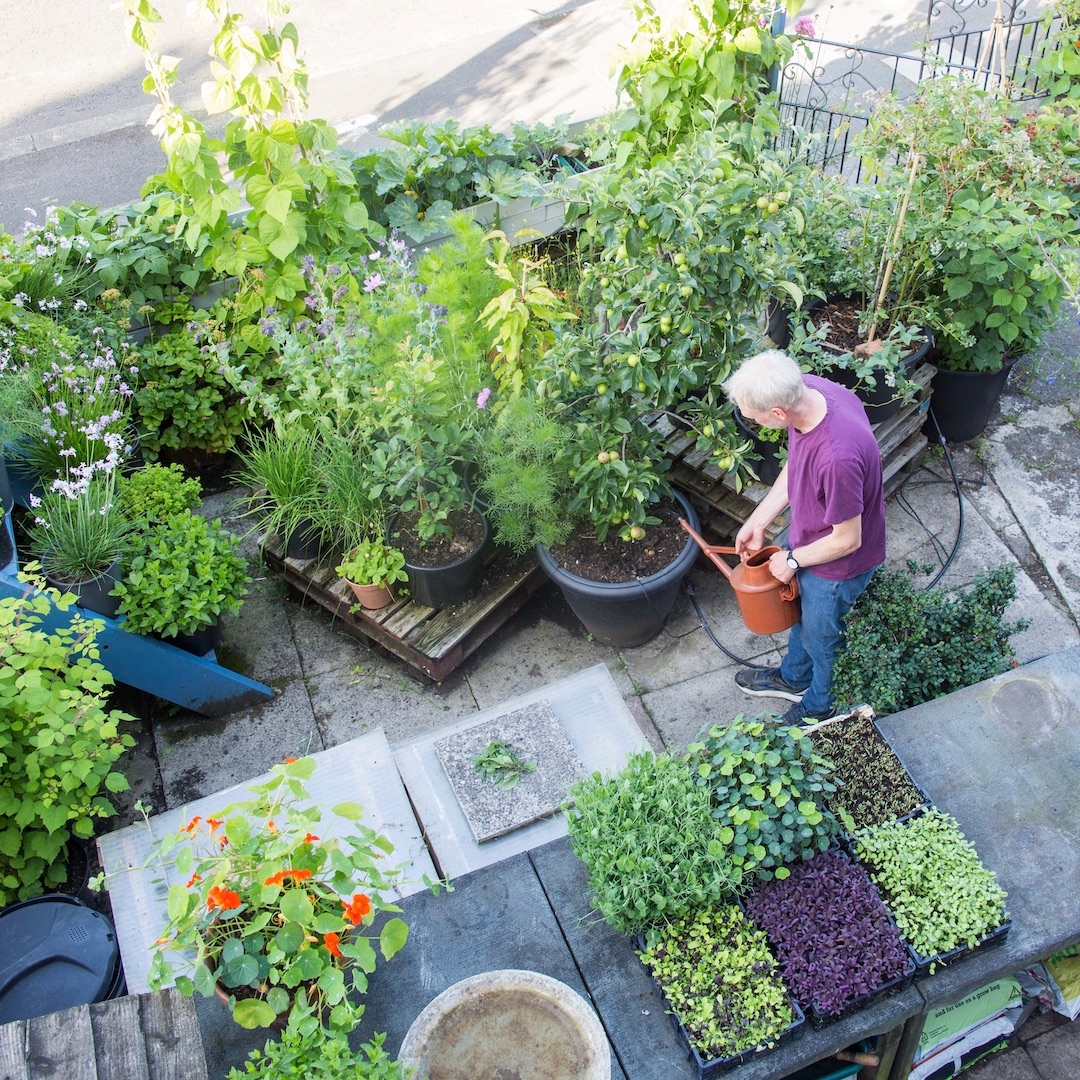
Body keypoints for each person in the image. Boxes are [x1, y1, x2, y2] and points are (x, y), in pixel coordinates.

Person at [724, 349, 885, 725]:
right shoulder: (811, 391)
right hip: (812, 541)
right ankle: (794, 678)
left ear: (778, 413)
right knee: (801, 618)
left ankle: (819, 706)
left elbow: (848, 540)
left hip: (837, 565)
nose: (754, 423)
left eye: (756, 418)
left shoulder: (837, 457)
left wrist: (794, 560)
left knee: (822, 638)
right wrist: (759, 519)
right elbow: (797, 465)